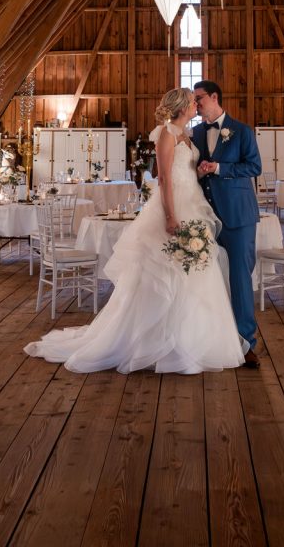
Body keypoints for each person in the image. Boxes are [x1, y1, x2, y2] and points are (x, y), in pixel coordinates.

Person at [24, 88, 246, 374]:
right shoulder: (166, 134)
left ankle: (189, 341)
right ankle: (151, 342)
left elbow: (186, 172)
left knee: (194, 273)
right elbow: (164, 178)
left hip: (194, 205)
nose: (196, 106)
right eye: (192, 102)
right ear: (181, 107)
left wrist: (200, 171)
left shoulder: (187, 136)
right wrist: (170, 216)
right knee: (162, 274)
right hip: (173, 207)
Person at [193, 80, 262, 369]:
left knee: (239, 279)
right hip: (204, 217)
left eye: (199, 99)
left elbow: (254, 167)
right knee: (204, 279)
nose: (196, 105)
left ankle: (245, 342)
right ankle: (209, 337)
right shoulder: (194, 132)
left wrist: (220, 168)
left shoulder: (242, 131)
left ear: (214, 97)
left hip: (238, 216)